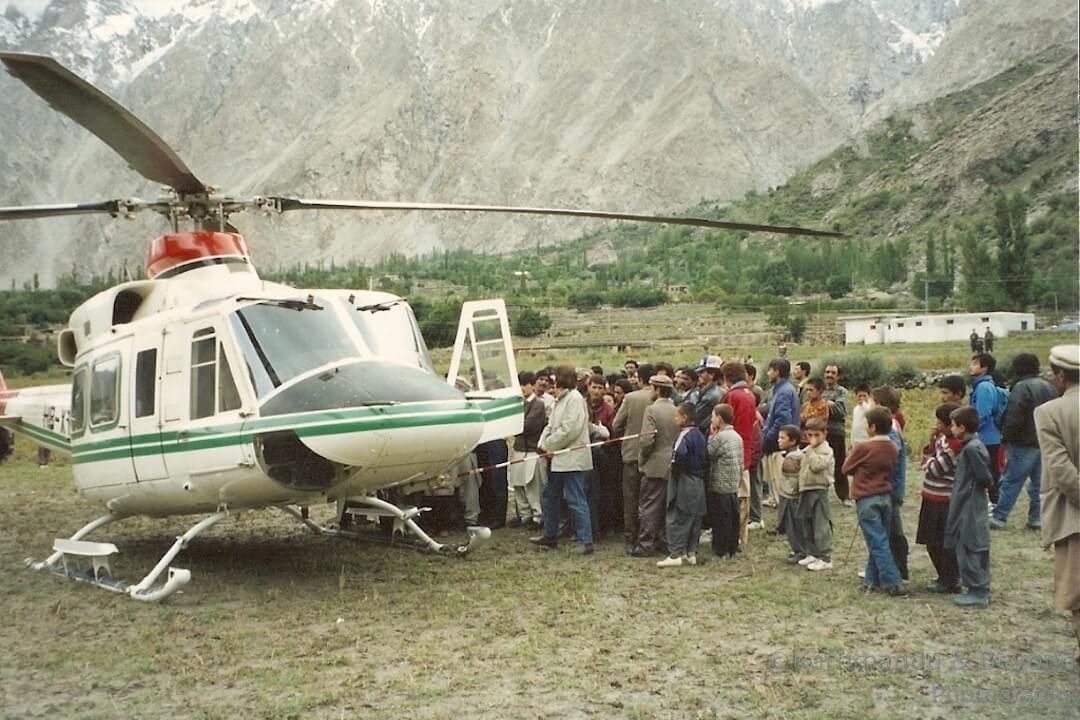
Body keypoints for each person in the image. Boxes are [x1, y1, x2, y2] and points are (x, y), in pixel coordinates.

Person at [1034, 345, 1080, 667]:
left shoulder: (1050, 412)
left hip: (1072, 515)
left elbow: (1062, 470)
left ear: (1061, 376)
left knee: (1077, 590)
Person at [842, 406, 906, 595]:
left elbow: (846, 469)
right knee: (879, 540)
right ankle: (872, 580)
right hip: (885, 496)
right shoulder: (893, 447)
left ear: (873, 427)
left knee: (877, 542)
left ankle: (892, 582)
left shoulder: (863, 447)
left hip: (866, 498)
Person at [531, 365, 594, 555]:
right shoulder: (560, 399)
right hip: (558, 458)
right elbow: (550, 426)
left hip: (572, 458)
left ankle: (586, 541)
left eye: (554, 378)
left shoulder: (574, 399)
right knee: (550, 496)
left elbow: (570, 430)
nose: (551, 382)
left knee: (575, 498)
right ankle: (550, 535)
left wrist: (549, 446)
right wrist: (542, 445)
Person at [991, 354, 1058, 530]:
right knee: (1039, 484)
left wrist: (1005, 436)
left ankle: (999, 517)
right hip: (1044, 441)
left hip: (1022, 443)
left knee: (1011, 480)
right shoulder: (1048, 386)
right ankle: (1036, 519)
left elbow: (1014, 417)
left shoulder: (1021, 388)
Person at [946, 406, 993, 607]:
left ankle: (978, 589)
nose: (951, 429)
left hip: (970, 503)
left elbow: (984, 477)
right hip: (965, 500)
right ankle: (976, 586)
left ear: (962, 427)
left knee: (971, 544)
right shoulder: (969, 446)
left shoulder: (973, 448)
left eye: (953, 425)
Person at [918, 402, 962, 594]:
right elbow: (929, 456)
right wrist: (931, 444)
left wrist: (928, 461)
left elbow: (935, 468)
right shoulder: (942, 440)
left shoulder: (954, 446)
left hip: (943, 499)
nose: (936, 424)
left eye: (940, 422)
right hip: (931, 495)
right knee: (930, 541)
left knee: (941, 542)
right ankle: (944, 576)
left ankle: (949, 579)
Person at [634, 374, 679, 557]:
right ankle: (666, 542)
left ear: (658, 390)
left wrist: (643, 459)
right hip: (673, 463)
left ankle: (646, 544)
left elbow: (646, 440)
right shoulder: (677, 409)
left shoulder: (651, 410)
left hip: (654, 464)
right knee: (669, 506)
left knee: (649, 506)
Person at [612, 364, 655, 554]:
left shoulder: (630, 398)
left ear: (639, 379)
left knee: (630, 497)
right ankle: (649, 534)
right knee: (649, 499)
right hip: (653, 455)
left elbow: (616, 424)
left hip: (631, 453)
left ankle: (630, 535)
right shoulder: (661, 399)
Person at [658, 403, 707, 567]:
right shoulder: (700, 435)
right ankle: (690, 552)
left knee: (677, 515)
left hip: (685, 479)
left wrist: (675, 468)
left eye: (677, 416)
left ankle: (675, 553)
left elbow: (679, 454)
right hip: (699, 480)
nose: (675, 419)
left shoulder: (684, 434)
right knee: (694, 518)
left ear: (685, 418)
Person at [871, 386, 910, 581]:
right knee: (890, 530)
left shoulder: (891, 429)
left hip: (890, 488)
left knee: (892, 531)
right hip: (890, 487)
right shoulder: (891, 426)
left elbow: (888, 459)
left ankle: (899, 570)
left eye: (872, 402)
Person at [508, 371, 547, 529]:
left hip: (531, 449)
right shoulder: (518, 403)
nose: (522, 388)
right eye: (520, 385)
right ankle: (524, 515)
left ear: (532, 385)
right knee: (518, 484)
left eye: (525, 384)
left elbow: (528, 426)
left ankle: (538, 516)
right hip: (519, 448)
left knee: (532, 485)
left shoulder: (538, 404)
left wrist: (515, 425)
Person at [762, 358, 800, 512]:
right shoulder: (783, 389)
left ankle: (785, 521)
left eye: (770, 370)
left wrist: (769, 437)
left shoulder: (783, 391)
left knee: (780, 483)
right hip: (780, 441)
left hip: (779, 444)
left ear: (777, 371)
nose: (768, 373)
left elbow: (782, 419)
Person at [798, 418, 835, 571]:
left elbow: (816, 466)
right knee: (807, 522)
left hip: (819, 489)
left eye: (816, 435)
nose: (812, 438)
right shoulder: (807, 449)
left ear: (824, 434)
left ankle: (825, 557)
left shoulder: (826, 450)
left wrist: (811, 451)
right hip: (806, 488)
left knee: (820, 524)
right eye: (809, 435)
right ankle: (812, 552)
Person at [706, 403, 743, 559]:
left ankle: (721, 548)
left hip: (720, 483)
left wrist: (711, 436)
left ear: (719, 419)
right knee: (733, 516)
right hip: (733, 482)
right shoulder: (737, 436)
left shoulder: (720, 437)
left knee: (721, 518)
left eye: (713, 416)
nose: (712, 420)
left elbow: (709, 453)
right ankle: (732, 547)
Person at [969, 353, 1004, 502]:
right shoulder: (987, 385)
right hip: (992, 436)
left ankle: (994, 503)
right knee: (992, 472)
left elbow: (982, 415)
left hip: (987, 437)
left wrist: (971, 429)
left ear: (985, 368)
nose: (971, 366)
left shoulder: (983, 387)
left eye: (975, 363)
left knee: (989, 473)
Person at [777, 425, 806, 565]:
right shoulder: (790, 455)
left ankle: (800, 551)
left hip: (791, 496)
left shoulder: (793, 458)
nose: (779, 440)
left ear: (793, 441)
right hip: (788, 494)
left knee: (793, 526)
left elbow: (793, 479)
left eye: (783, 438)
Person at [822, 365, 849, 504]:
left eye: (833, 373)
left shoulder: (841, 392)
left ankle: (844, 495)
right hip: (819, 433)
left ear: (838, 376)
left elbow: (841, 412)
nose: (829, 375)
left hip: (836, 432)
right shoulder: (819, 389)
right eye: (827, 372)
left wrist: (824, 405)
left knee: (839, 465)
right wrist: (829, 404)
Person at [694, 356, 724, 436]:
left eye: (701, 372)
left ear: (711, 374)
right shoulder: (721, 391)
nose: (699, 375)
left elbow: (695, 418)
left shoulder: (710, 396)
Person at [799, 378, 828, 445]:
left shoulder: (823, 405)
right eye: (807, 390)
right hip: (802, 439)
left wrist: (803, 418)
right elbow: (799, 420)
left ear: (820, 391)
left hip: (815, 440)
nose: (808, 392)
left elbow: (812, 422)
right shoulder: (805, 405)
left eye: (811, 390)